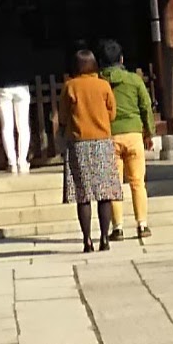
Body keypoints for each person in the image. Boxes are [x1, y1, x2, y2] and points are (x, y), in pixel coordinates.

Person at [60, 45, 122, 252]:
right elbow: (112, 113)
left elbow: (62, 116)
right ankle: (105, 238)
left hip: (79, 143)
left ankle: (87, 240)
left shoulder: (70, 87)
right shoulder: (103, 86)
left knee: (83, 193)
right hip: (102, 141)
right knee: (104, 192)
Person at [100, 40, 157, 242]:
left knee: (114, 184)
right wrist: (149, 132)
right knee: (137, 182)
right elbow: (146, 106)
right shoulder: (134, 80)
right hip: (134, 134)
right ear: (121, 59)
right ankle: (142, 224)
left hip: (110, 136)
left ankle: (118, 228)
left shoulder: (100, 82)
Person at [0, 19, 38, 172]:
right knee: (23, 126)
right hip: (21, 84)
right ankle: (22, 161)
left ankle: (12, 162)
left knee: (6, 126)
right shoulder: (25, 42)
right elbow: (31, 62)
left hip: (2, 85)